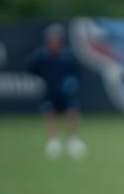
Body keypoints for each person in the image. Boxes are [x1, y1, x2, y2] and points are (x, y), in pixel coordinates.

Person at [26, 23, 86, 160]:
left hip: (66, 92)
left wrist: (72, 83)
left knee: (72, 112)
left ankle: (73, 141)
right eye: (51, 41)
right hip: (50, 91)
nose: (54, 44)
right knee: (50, 114)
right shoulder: (41, 57)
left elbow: (77, 73)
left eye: (56, 41)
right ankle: (53, 142)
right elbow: (31, 68)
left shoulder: (68, 57)